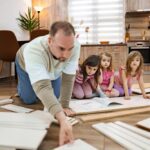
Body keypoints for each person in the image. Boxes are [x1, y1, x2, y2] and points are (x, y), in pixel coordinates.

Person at [15, 21, 81, 145]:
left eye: (69, 49)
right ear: (50, 41)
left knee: (55, 99)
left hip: (53, 69)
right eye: (61, 48)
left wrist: (65, 105)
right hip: (24, 62)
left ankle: (39, 77)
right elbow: (43, 87)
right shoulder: (33, 50)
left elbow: (68, 77)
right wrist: (62, 120)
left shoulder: (75, 46)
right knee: (28, 99)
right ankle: (23, 86)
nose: (66, 55)